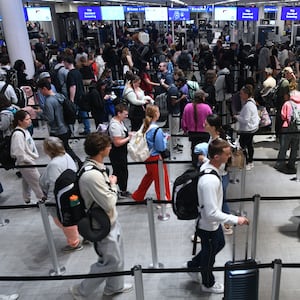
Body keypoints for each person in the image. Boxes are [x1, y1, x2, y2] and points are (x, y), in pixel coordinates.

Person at [70, 133, 133, 298]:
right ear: (101, 150)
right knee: (109, 261)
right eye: (108, 146)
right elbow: (109, 202)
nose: (110, 147)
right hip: (101, 223)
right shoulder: (92, 175)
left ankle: (115, 286)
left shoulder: (96, 166)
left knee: (117, 257)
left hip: (110, 219)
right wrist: (113, 185)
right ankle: (82, 290)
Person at [184, 138, 249, 294]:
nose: (230, 157)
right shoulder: (209, 181)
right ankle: (208, 283)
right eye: (227, 154)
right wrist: (236, 219)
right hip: (207, 225)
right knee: (210, 253)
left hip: (208, 224)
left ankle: (193, 266)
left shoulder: (208, 166)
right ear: (216, 157)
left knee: (218, 244)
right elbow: (211, 213)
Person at [39, 137, 83, 252]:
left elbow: (54, 185)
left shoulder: (54, 164)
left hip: (61, 198)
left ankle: (75, 242)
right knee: (76, 214)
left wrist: (50, 202)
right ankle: (83, 235)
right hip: (73, 193)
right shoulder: (67, 156)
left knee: (64, 221)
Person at [36, 78, 82, 167]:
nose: (40, 93)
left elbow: (50, 118)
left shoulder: (49, 101)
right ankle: (76, 162)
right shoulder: (59, 96)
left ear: (44, 88)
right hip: (65, 126)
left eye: (40, 90)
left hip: (57, 130)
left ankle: (75, 163)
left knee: (61, 150)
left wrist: (40, 113)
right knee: (66, 148)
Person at [131, 105, 171, 202]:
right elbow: (160, 147)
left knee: (149, 176)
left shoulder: (144, 125)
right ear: (156, 114)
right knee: (161, 179)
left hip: (147, 156)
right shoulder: (156, 130)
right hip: (156, 157)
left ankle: (138, 195)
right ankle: (164, 200)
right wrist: (165, 139)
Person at [10, 110, 45, 204]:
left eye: (30, 119)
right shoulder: (18, 134)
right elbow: (19, 153)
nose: (30, 121)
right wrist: (29, 161)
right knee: (36, 181)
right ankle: (43, 198)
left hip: (28, 160)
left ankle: (27, 199)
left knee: (26, 181)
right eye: (27, 119)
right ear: (20, 121)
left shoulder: (24, 130)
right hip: (25, 162)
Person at [108, 104, 134, 199]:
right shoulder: (114, 126)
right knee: (119, 172)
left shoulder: (120, 122)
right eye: (125, 114)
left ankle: (122, 189)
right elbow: (117, 143)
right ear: (119, 113)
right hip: (117, 153)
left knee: (122, 171)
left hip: (122, 152)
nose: (126, 116)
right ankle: (119, 190)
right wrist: (129, 138)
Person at [275, 80, 300, 174]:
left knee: (284, 147)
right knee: (295, 147)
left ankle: (280, 164)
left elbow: (283, 116)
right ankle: (291, 164)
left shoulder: (287, 104)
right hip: (297, 128)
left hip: (287, 127)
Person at [181, 90, 212, 167]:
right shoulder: (207, 107)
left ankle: (195, 164)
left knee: (194, 148)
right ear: (202, 98)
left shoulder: (187, 107)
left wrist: (185, 129)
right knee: (205, 149)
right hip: (205, 133)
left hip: (192, 133)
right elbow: (211, 119)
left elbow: (183, 120)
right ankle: (204, 164)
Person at [233, 85, 260, 171]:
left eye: (241, 94)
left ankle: (246, 162)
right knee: (249, 145)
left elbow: (246, 120)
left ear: (246, 94)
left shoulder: (248, 105)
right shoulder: (251, 103)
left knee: (242, 146)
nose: (240, 95)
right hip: (252, 128)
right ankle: (249, 161)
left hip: (248, 129)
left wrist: (237, 117)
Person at [64, 55, 90, 135]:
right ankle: (87, 128)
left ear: (67, 63)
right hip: (81, 95)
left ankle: (73, 131)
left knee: (73, 114)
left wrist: (71, 99)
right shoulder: (78, 72)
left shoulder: (70, 74)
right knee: (83, 113)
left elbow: (72, 86)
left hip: (76, 97)